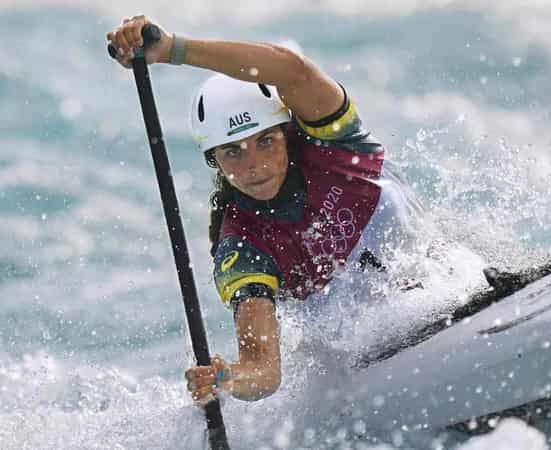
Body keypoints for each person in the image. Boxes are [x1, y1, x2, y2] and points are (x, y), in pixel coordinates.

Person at [106, 15, 419, 404]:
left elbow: (292, 70)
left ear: (287, 134)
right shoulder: (242, 247)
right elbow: (264, 371)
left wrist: (173, 50)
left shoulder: (335, 144)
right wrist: (227, 378)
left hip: (440, 282)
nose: (252, 164)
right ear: (214, 160)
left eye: (265, 141)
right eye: (232, 152)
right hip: (369, 363)